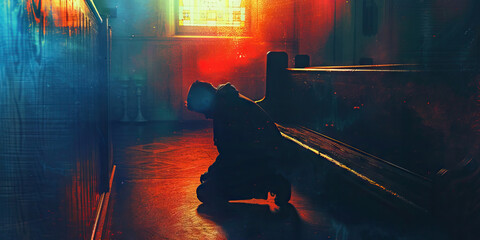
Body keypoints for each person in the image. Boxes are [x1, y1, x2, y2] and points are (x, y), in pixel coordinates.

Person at [186, 81, 291, 205]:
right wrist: (213, 173)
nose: (205, 116)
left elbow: (233, 155)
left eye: (203, 111)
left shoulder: (227, 110)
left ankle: (271, 182)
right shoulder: (226, 102)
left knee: (206, 192)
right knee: (210, 184)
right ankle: (269, 180)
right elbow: (231, 152)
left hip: (263, 159)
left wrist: (214, 173)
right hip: (263, 155)